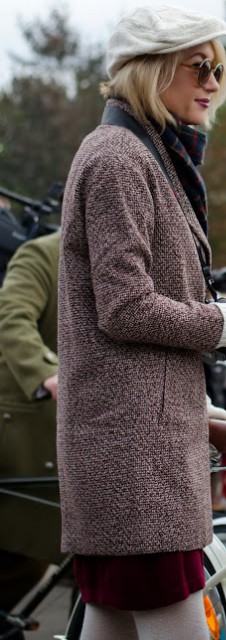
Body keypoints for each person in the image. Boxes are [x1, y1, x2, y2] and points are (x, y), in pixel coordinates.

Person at [56, 6, 226, 639]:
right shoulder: (120, 157)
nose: (215, 81)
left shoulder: (142, 154)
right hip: (134, 455)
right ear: (151, 70)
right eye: (200, 66)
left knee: (111, 623)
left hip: (134, 443)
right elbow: (126, 307)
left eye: (218, 68)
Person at [0, 230, 60, 621]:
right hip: (32, 421)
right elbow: (12, 317)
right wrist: (47, 374)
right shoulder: (42, 254)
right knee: (19, 553)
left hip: (94, 425)